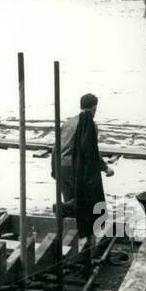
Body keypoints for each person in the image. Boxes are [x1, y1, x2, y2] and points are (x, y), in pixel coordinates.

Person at [53, 92, 113, 238]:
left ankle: (71, 236)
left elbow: (55, 147)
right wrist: (105, 168)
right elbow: (91, 151)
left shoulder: (67, 122)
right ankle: (82, 237)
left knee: (72, 202)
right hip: (74, 167)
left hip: (60, 166)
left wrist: (54, 169)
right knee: (84, 202)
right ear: (94, 108)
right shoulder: (89, 124)